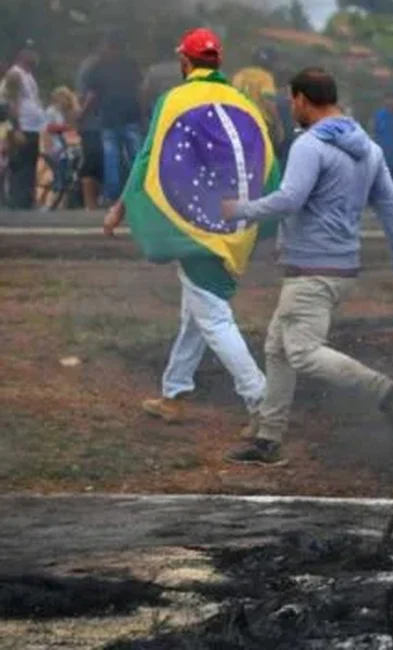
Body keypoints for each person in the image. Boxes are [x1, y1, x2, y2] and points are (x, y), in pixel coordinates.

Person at [221, 68, 393, 467]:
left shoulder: (310, 145)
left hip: (312, 270)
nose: (289, 107)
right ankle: (268, 438)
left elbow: (290, 199)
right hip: (339, 269)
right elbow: (391, 209)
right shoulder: (370, 149)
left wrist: (240, 211)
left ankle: (389, 394)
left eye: (290, 100)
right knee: (278, 347)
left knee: (302, 352)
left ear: (300, 100)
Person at [103, 28, 272, 428]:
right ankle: (174, 393)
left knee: (213, 318)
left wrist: (119, 209)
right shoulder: (240, 100)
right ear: (219, 62)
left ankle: (263, 403)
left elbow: (148, 160)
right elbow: (269, 160)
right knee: (195, 314)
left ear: (185, 63)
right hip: (234, 222)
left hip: (195, 226)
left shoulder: (174, 99)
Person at [81, 33, 143, 203]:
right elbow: (140, 92)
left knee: (111, 158)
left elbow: (92, 95)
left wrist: (82, 115)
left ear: (107, 46)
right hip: (131, 116)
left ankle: (113, 195)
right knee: (136, 157)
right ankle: (139, 193)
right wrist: (143, 114)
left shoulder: (98, 67)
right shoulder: (131, 65)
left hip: (109, 118)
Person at [2, 43, 47, 209]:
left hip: (32, 127)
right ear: (22, 54)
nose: (35, 56)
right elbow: (11, 102)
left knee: (30, 165)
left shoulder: (28, 75)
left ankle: (27, 200)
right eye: (31, 52)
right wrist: (16, 128)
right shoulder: (15, 75)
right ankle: (18, 202)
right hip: (22, 127)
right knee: (20, 165)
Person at [232, 48, 285, 160]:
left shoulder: (240, 74)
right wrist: (278, 123)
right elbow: (268, 100)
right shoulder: (265, 77)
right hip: (259, 122)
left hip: (238, 120)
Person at [40, 87, 79, 208]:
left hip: (65, 150)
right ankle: (50, 203)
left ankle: (59, 203)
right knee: (59, 176)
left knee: (65, 176)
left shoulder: (64, 112)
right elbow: (48, 128)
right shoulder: (51, 111)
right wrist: (65, 128)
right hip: (54, 149)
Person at [76, 48, 104, 209]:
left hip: (95, 123)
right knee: (92, 162)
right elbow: (88, 94)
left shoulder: (89, 65)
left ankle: (92, 203)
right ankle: (90, 203)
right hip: (93, 123)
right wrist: (82, 114)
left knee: (94, 161)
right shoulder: (92, 66)